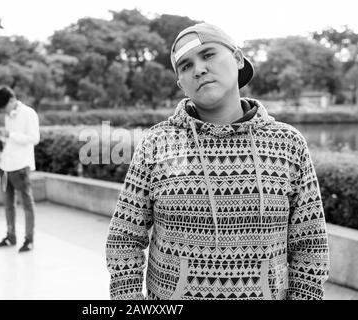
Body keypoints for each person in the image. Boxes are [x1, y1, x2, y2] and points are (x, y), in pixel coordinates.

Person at [106, 23, 330, 300]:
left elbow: (310, 246)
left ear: (237, 59)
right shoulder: (156, 143)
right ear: (181, 84)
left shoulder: (287, 143)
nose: (198, 69)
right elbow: (124, 238)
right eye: (186, 66)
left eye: (208, 55)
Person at [0, 86, 40, 253]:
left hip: (21, 166)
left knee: (27, 204)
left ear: (12, 100)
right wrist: (3, 137)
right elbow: (11, 139)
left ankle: (29, 240)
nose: (4, 111)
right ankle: (10, 237)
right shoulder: (8, 116)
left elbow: (34, 138)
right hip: (5, 166)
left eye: (4, 107)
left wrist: (10, 135)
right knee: (8, 205)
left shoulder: (29, 113)